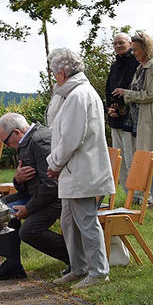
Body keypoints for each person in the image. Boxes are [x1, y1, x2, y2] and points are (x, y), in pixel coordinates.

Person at [47, 48, 115, 288]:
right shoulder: (75, 93)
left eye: (55, 73)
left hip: (82, 170)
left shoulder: (78, 95)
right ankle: (78, 267)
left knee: (86, 221)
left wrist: (54, 163)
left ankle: (98, 271)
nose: (54, 77)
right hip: (75, 171)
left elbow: (71, 138)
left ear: (63, 73)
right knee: (69, 221)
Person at [0, 112, 69, 281]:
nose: (7, 146)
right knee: (2, 209)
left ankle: (75, 257)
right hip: (41, 195)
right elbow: (28, 181)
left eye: (6, 142)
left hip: (58, 198)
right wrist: (18, 179)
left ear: (17, 132)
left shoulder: (39, 142)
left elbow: (52, 185)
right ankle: (12, 265)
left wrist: (28, 209)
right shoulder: (27, 142)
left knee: (29, 231)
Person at [112, 31, 153, 207]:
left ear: (146, 49)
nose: (134, 53)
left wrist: (127, 94)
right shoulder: (141, 68)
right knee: (148, 158)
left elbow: (151, 94)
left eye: (136, 50)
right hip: (143, 119)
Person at [105, 33, 138, 187]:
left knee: (132, 158)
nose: (118, 46)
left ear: (130, 44)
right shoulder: (115, 66)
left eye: (121, 43)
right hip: (115, 119)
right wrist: (110, 108)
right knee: (120, 159)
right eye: (115, 43)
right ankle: (127, 194)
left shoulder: (136, 64)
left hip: (130, 119)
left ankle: (139, 194)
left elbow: (136, 90)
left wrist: (121, 109)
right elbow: (109, 89)